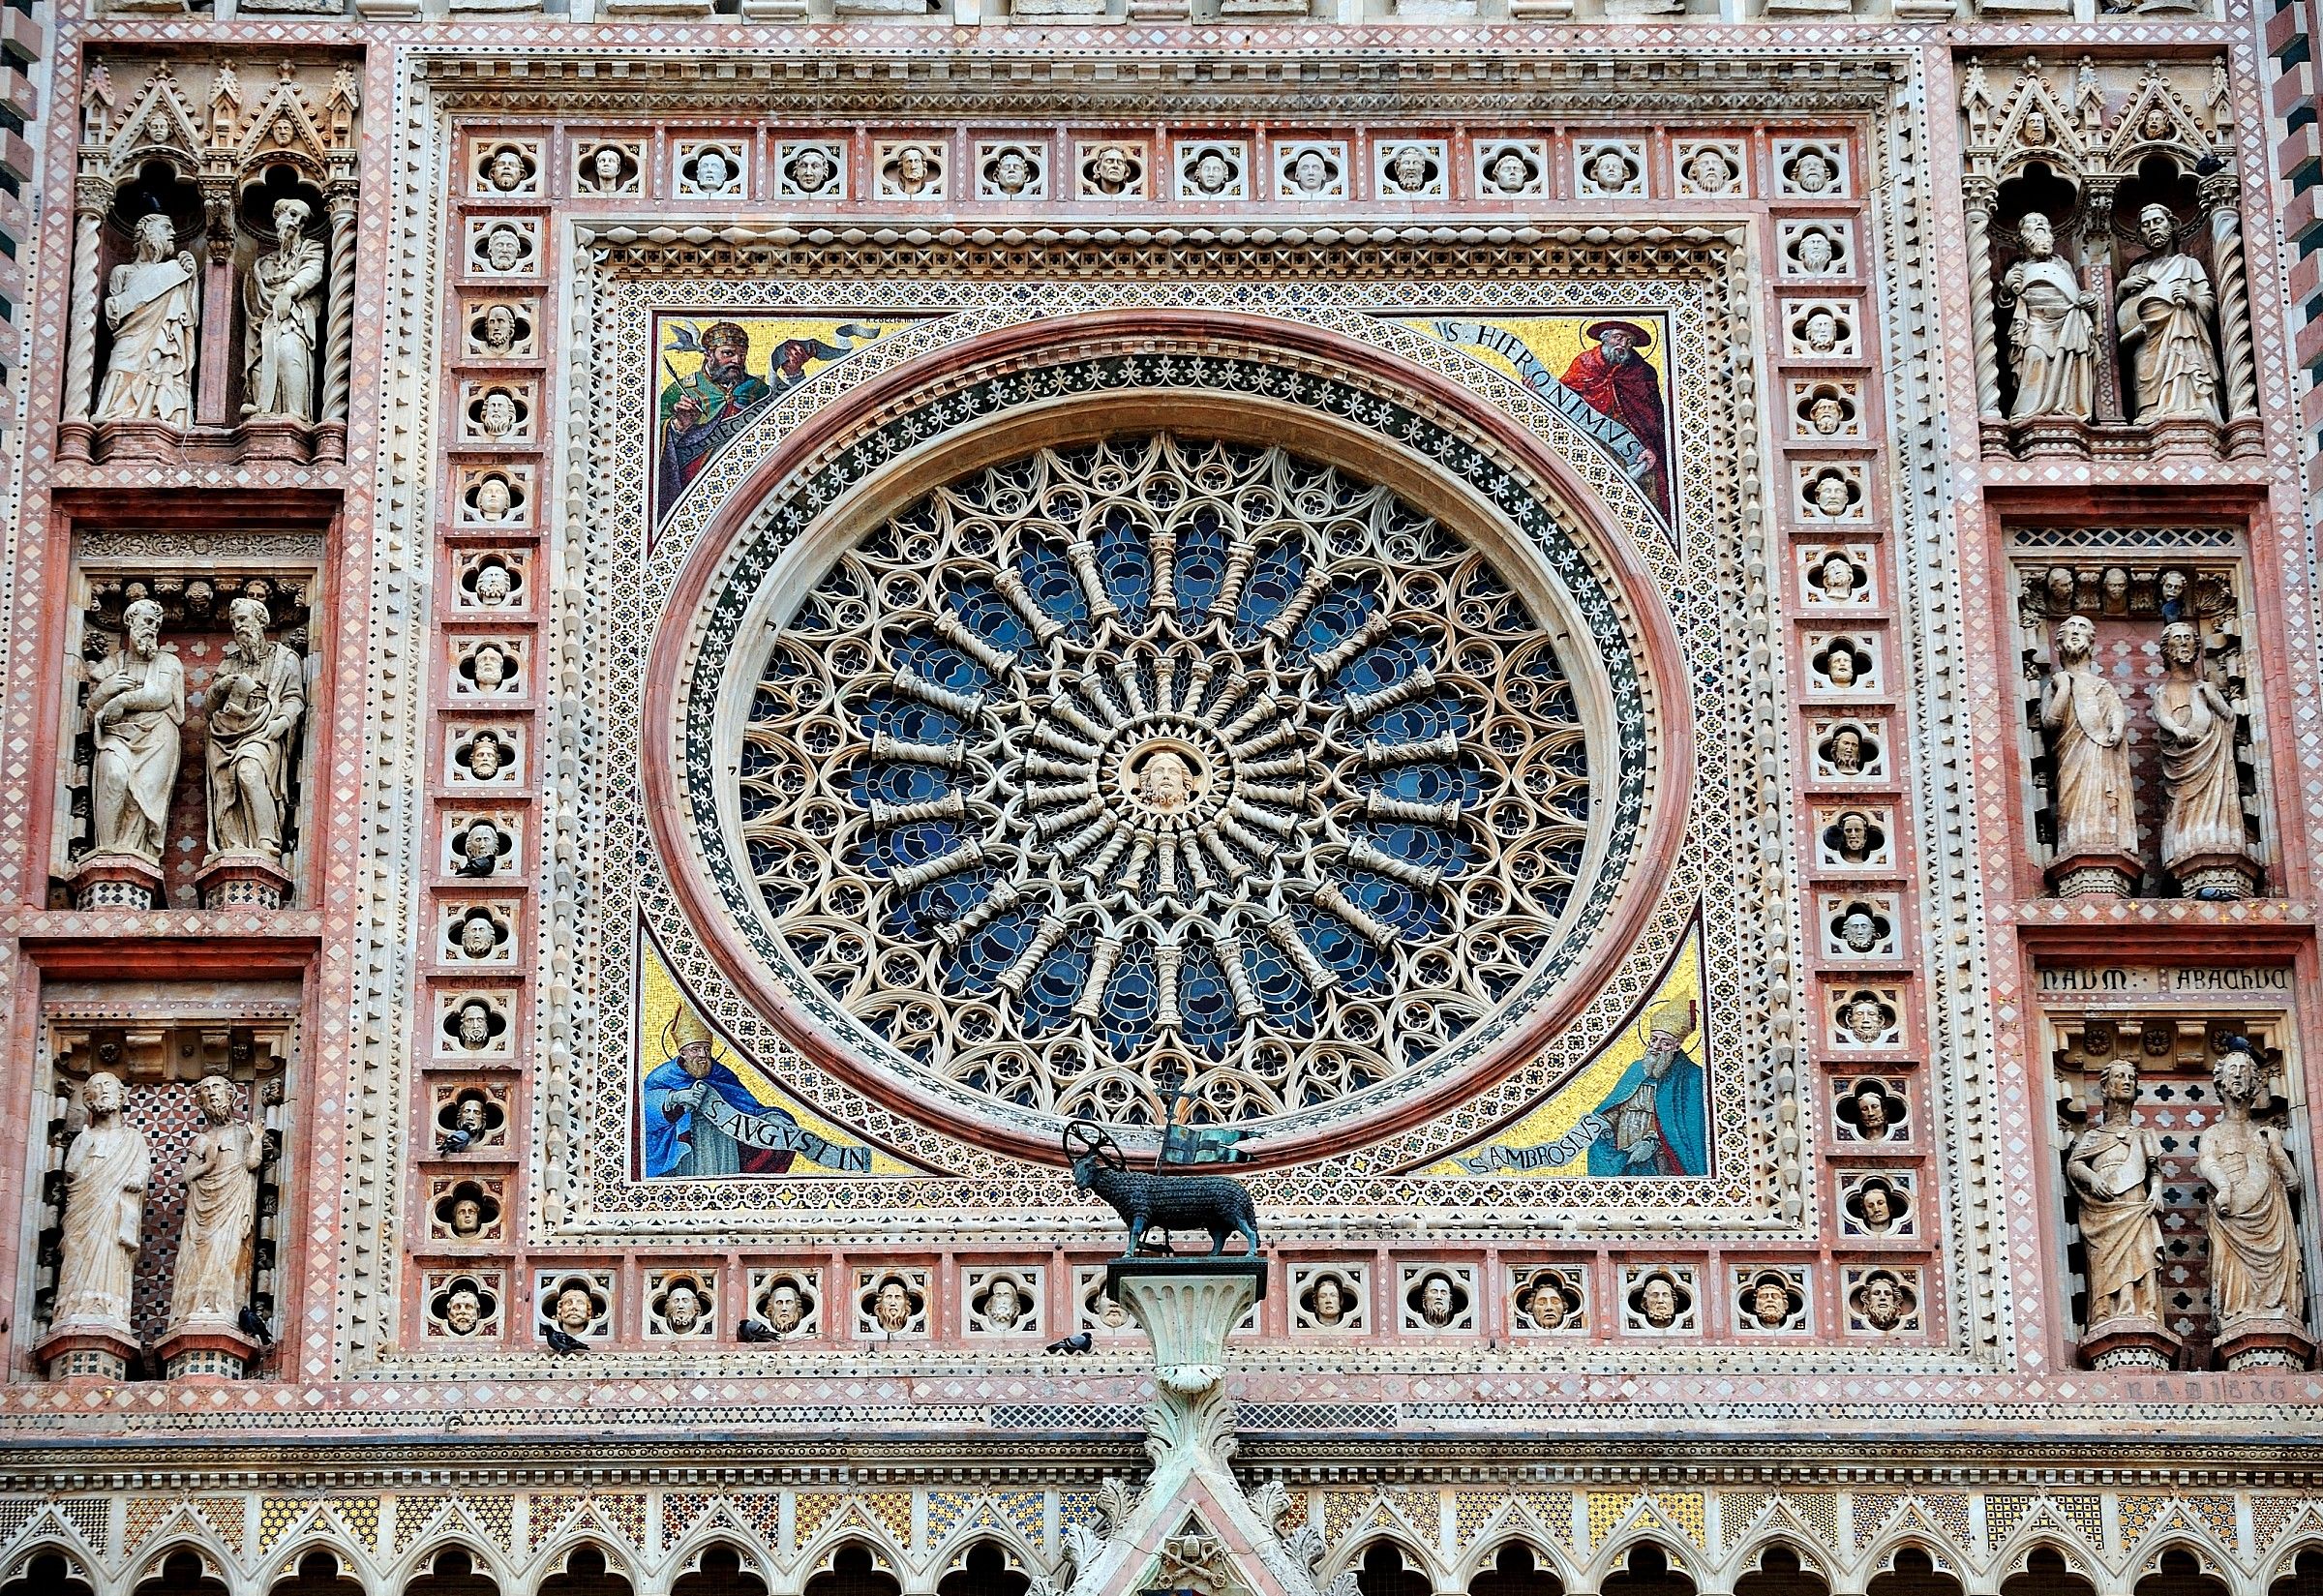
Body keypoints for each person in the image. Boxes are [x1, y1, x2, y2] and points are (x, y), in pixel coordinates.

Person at [641, 1007, 803, 1177]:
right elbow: (641, 1111)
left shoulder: (722, 1074)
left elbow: (748, 1106)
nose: (703, 1054)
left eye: (707, 1049)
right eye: (696, 1049)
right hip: (685, 1148)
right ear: (683, 1053)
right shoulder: (663, 1076)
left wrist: (771, 1117)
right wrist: (672, 1098)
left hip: (723, 1144)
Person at [203, 596, 305, 860]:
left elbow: (294, 698)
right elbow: (208, 707)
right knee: (227, 784)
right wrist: (221, 687)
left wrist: (283, 721)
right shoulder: (229, 662)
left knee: (248, 770)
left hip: (264, 729)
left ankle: (265, 840)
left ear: (260, 621)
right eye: (234, 622)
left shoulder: (285, 659)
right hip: (226, 732)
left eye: (243, 620)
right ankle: (234, 843)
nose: (238, 626)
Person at [86, 598, 185, 867]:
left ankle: (137, 854)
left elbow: (162, 696)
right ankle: (109, 850)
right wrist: (106, 691)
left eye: (156, 624)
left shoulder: (168, 661)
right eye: (146, 622)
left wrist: (122, 701)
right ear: (130, 622)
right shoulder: (109, 666)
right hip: (116, 736)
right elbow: (90, 710)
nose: (151, 629)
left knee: (143, 794)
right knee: (115, 776)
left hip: (157, 737)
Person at [2066, 1060, 2164, 1326]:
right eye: (2120, 1076)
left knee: (2141, 1256)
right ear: (2105, 1089)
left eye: (2131, 1077)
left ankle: (2142, 1310)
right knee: (2106, 1264)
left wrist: (2156, 1191)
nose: (2127, 1081)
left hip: (2135, 1204)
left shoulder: (2143, 1135)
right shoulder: (2094, 1136)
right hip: (2103, 1210)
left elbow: (2154, 1169)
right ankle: (2106, 1312)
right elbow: (2074, 1164)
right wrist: (2094, 1179)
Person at [51, 1072, 151, 1331]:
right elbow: (71, 1171)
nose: (103, 1091)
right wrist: (83, 1143)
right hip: (85, 1209)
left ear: (122, 1096)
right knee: (78, 1248)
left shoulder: (133, 1139)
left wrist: (137, 1180)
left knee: (111, 1252)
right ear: (87, 1100)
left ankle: (111, 1311)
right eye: (96, 1088)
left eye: (109, 1086)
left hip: (115, 1210)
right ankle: (73, 1307)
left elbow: (142, 1169)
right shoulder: (85, 1137)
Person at [166, 1075, 264, 1328]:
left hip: (233, 1206)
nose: (212, 1094)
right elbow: (188, 1175)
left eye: (217, 1088)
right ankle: (195, 1308)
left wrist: (257, 1140)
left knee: (228, 1254)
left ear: (231, 1095)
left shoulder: (244, 1133)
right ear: (200, 1102)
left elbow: (253, 1164)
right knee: (197, 1258)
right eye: (206, 1091)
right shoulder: (203, 1139)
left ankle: (223, 1310)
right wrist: (208, 1164)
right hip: (203, 1211)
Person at [2152, 620, 2246, 880]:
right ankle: (2184, 847)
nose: (2183, 643)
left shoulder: (2208, 688)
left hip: (2213, 763)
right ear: (2167, 650)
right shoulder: (2165, 690)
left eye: (2188, 638)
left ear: (2196, 646)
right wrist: (2179, 730)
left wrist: (2213, 699)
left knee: (2215, 801)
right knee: (2183, 801)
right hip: (2184, 760)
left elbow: (2229, 719)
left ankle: (2219, 843)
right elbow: (2162, 716)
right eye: (2177, 639)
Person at [2041, 615, 2138, 861]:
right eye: (2070, 628)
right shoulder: (2054, 685)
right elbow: (2050, 722)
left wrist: (2116, 731)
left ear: (2092, 645)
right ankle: (2075, 843)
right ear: (2058, 645)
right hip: (2071, 758)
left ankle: (2104, 842)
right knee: (2074, 804)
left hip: (2101, 755)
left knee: (2100, 802)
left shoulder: (2103, 686)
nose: (2075, 632)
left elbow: (2117, 715)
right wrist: (2063, 688)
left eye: (2082, 628)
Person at [2117, 203, 2219, 423]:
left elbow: (2207, 300)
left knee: (2183, 366)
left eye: (2157, 222)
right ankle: (2151, 413)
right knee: (2146, 370)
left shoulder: (2188, 264)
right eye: (2145, 225)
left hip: (2181, 332)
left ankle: (2189, 407)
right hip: (2146, 336)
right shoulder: (2137, 270)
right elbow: (2121, 312)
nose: (2152, 228)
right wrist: (2123, 287)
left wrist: (2191, 298)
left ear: (2171, 226)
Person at [96, 212, 199, 427]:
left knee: (161, 367)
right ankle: (114, 413)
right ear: (146, 232)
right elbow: (114, 317)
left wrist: (191, 279)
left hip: (163, 339)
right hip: (131, 337)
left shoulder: (173, 271)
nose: (172, 233)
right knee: (118, 368)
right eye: (165, 228)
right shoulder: (122, 272)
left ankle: (158, 415)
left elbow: (187, 317)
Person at [1559, 319, 1671, 519]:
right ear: (1605, 338)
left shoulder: (1643, 373)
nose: (1623, 345)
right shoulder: (1585, 363)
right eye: (1618, 338)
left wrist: (1651, 448)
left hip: (1633, 445)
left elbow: (1653, 417)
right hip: (1592, 439)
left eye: (1629, 341)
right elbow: (1562, 398)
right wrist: (1538, 389)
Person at [1586, 1000, 1707, 1176]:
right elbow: (1615, 1107)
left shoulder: (1690, 1078)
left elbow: (1685, 1128)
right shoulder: (1636, 1070)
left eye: (1665, 1042)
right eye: (1653, 1039)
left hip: (1661, 1161)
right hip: (1624, 1153)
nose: (1656, 1047)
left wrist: (1652, 1142)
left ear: (1677, 1046)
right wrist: (1599, 1123)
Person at [658, 321, 771, 506]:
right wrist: (679, 426)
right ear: (708, 354)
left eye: (742, 355)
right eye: (728, 353)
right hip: (696, 487)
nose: (737, 360)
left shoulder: (757, 390)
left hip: (748, 484)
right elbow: (649, 443)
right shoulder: (682, 390)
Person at [2003, 212, 2097, 420]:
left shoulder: (2062, 265)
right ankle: (2030, 412)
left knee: (2068, 363)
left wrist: (2088, 299)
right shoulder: (2018, 269)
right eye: (2034, 227)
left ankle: (2066, 408)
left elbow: (2074, 293)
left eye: (2044, 227)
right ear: (2022, 238)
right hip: (2035, 321)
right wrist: (2007, 289)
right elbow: (2005, 312)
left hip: (2067, 322)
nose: (2041, 229)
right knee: (2035, 356)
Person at [242, 197, 325, 421]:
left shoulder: (312, 248)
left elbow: (313, 272)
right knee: (260, 365)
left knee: (289, 351)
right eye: (292, 214)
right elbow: (252, 302)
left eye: (303, 220)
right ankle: (262, 408)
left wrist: (288, 292)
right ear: (278, 216)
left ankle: (296, 413)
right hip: (263, 325)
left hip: (295, 318)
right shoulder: (263, 265)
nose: (297, 222)